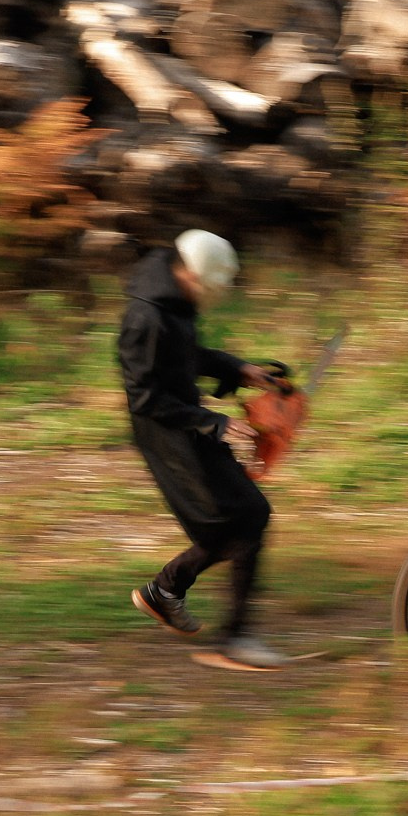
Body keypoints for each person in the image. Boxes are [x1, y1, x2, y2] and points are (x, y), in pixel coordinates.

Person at [118, 229, 291, 671]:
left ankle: (165, 591)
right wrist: (213, 422)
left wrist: (239, 369)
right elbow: (144, 398)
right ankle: (233, 640)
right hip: (167, 435)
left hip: (187, 425)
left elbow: (186, 356)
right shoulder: (146, 318)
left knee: (236, 522)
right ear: (195, 276)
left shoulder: (173, 300)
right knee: (247, 517)